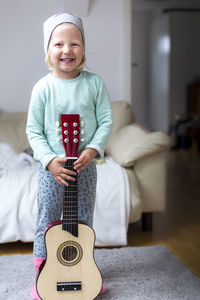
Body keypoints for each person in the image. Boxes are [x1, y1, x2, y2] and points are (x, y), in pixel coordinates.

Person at [26, 12, 113, 299]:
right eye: (59, 44)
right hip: (53, 170)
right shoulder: (43, 88)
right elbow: (34, 131)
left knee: (83, 222)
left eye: (74, 44)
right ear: (48, 51)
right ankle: (42, 274)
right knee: (47, 221)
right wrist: (49, 160)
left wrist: (92, 149)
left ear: (84, 49)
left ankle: (84, 270)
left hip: (86, 168)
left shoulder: (94, 83)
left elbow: (106, 122)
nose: (67, 50)